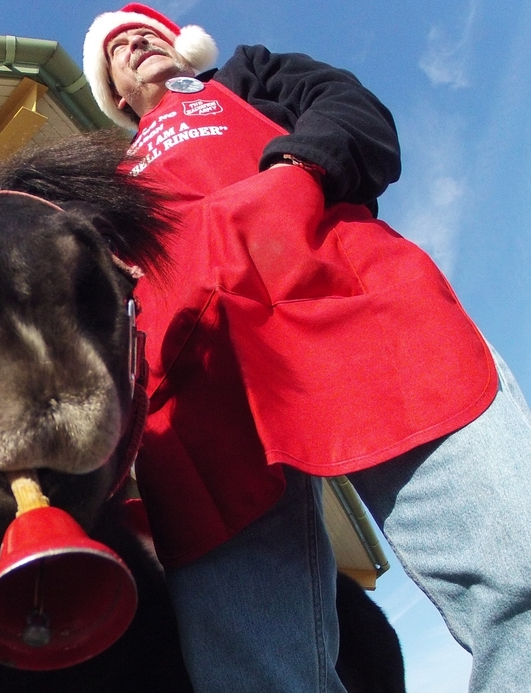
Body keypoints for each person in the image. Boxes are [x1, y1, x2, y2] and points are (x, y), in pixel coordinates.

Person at [83, 4, 531, 692]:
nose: (135, 41)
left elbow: (350, 108)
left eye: (145, 30)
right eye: (116, 49)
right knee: (252, 673)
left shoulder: (251, 74)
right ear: (114, 93)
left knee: (516, 572)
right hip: (200, 375)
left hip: (346, 297)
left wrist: (295, 169)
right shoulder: (111, 186)